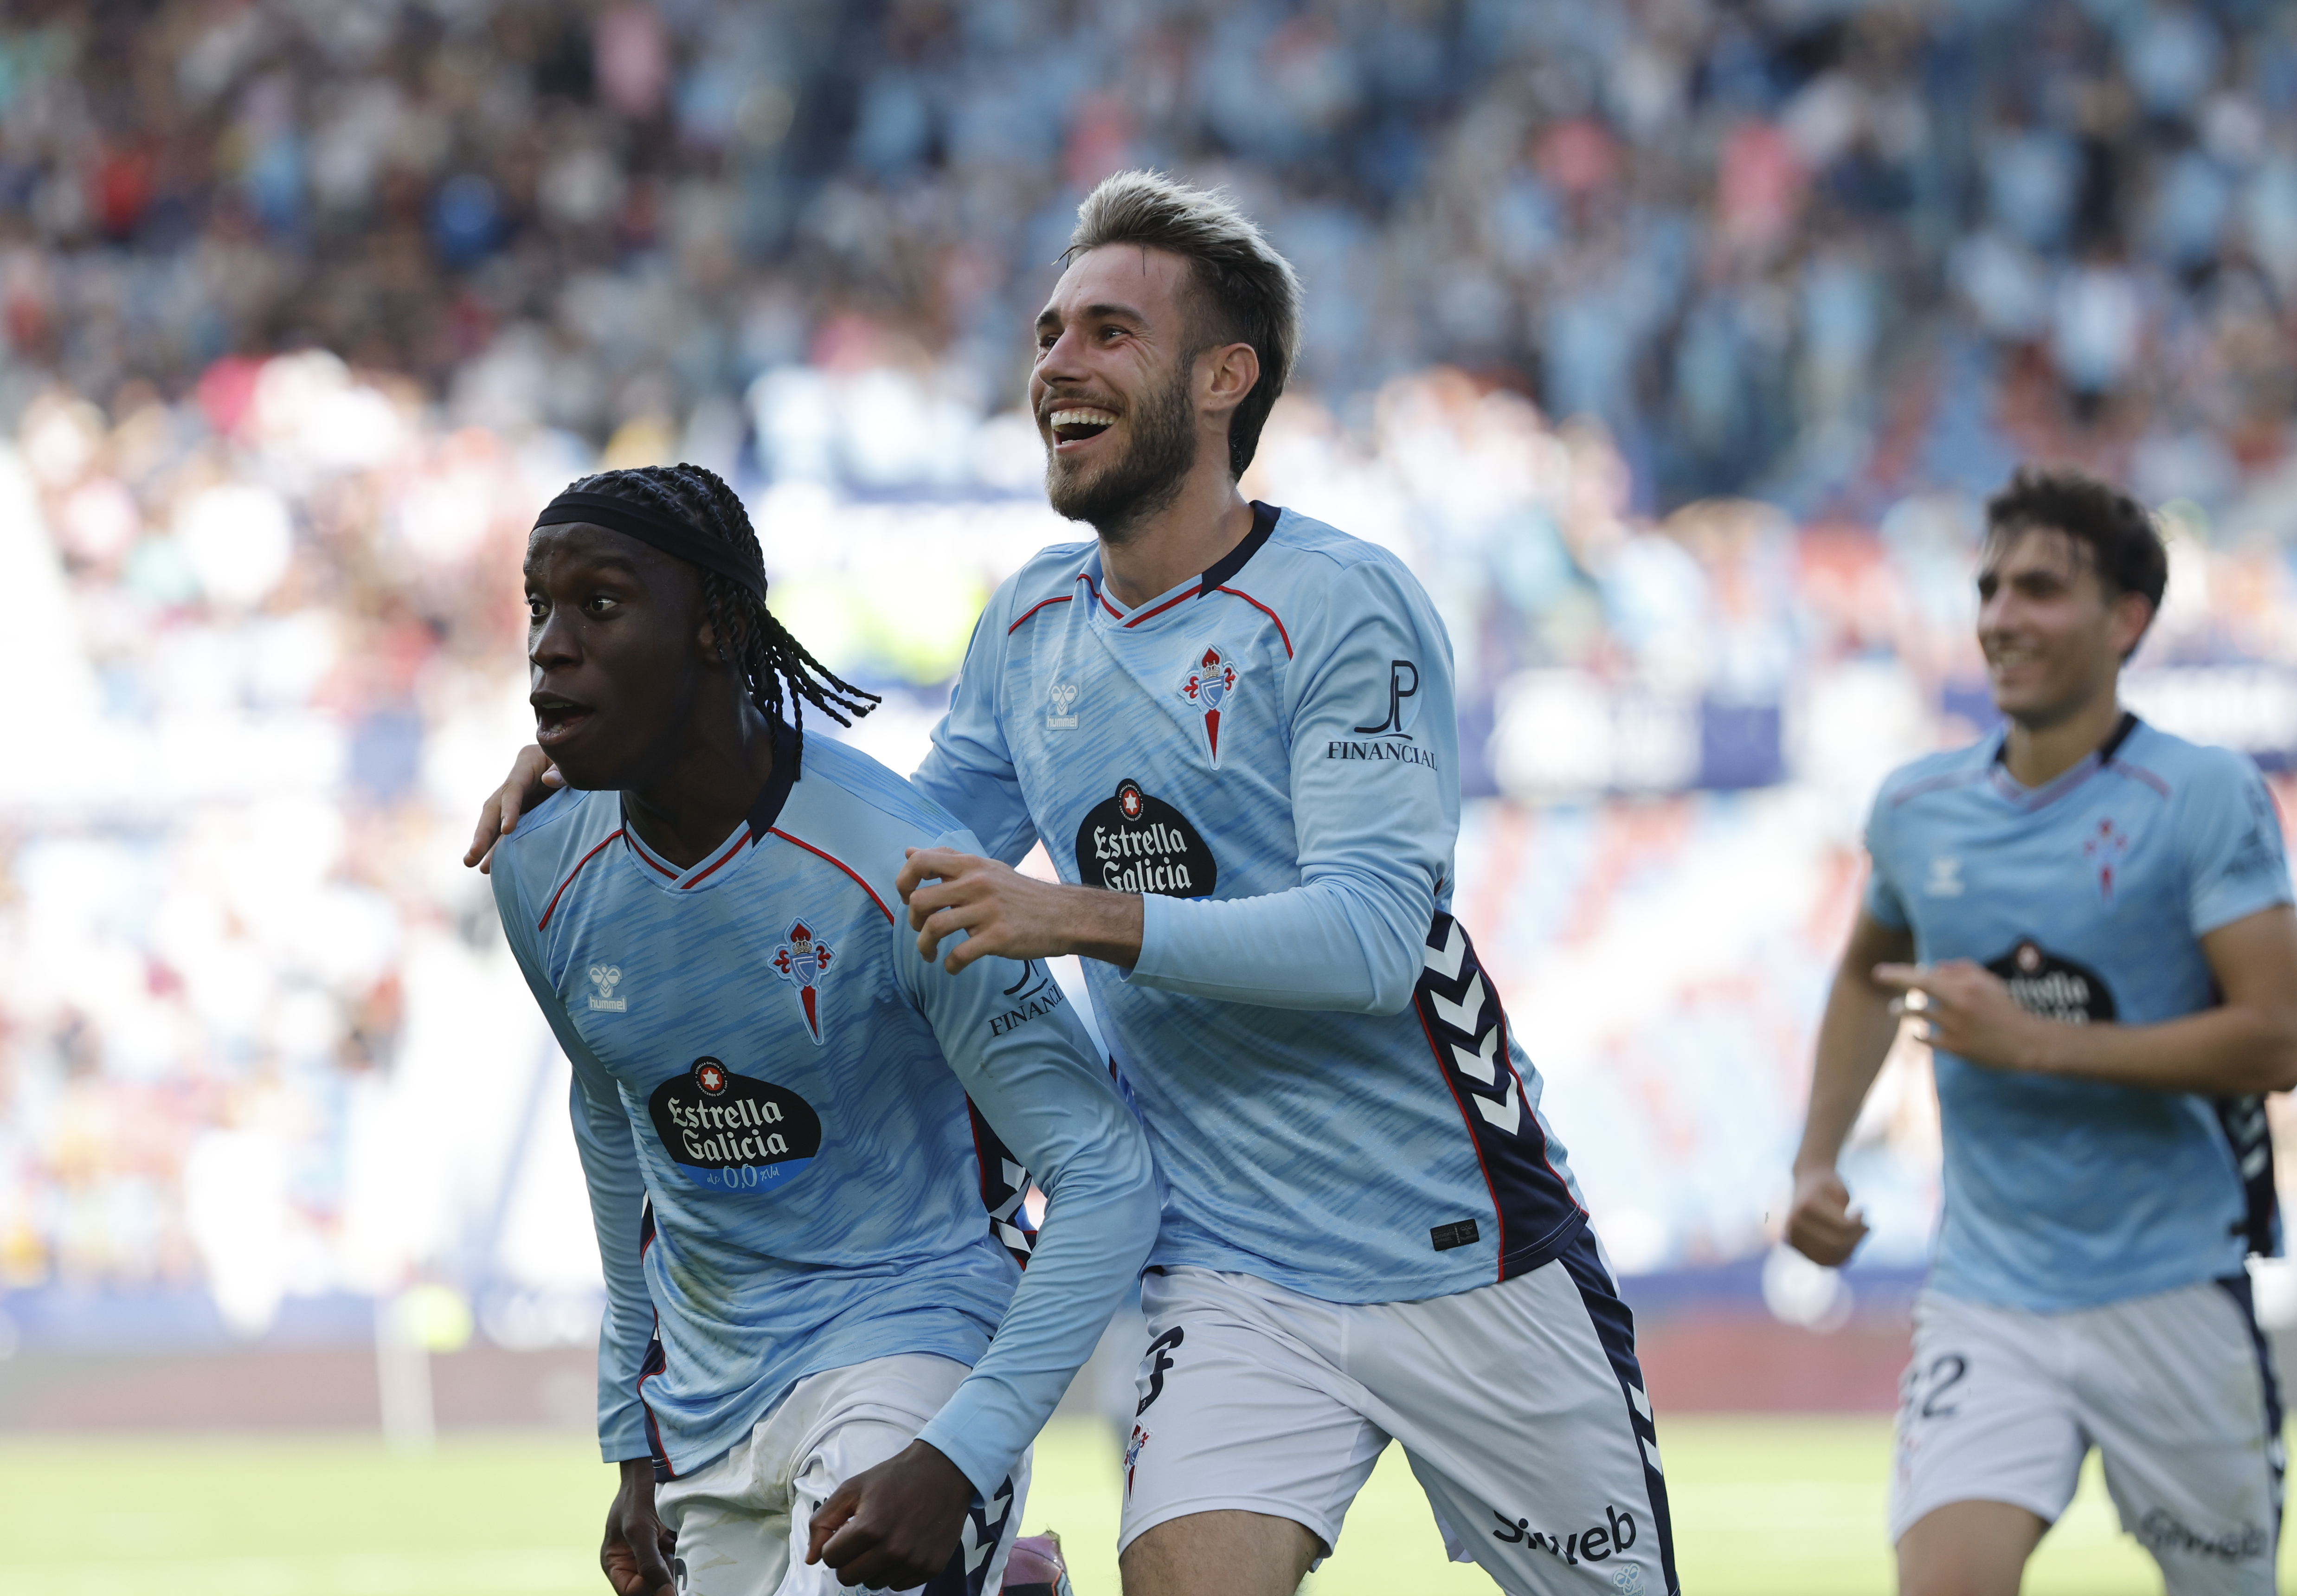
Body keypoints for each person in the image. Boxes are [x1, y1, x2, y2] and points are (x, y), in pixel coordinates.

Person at [471, 173, 1676, 1596]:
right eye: (1049, 332)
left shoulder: (1344, 603)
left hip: (1464, 1238)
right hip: (1225, 1262)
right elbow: (895, 855)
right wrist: (647, 750)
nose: (1057, 364)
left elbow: (1370, 940)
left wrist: (1075, 915)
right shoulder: (1033, 620)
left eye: (1110, 332)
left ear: (1224, 380)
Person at [484, 461, 1158, 1596]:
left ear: (714, 626)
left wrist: (960, 1451)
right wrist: (629, 1432)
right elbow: (614, 1123)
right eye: (537, 607)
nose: (550, 644)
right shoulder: (536, 865)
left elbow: (1106, 1173)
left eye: (598, 604)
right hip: (704, 1400)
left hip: (911, 1340)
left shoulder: (900, 864)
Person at [1785, 468, 2297, 1596]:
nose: (1997, 618)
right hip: (1988, 1295)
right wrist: (1813, 1160)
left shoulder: (2203, 796)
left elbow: (2276, 1041)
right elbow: (1865, 974)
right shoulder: (1916, 808)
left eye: (2037, 589)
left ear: (2126, 618)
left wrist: (2033, 1044)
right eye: (1987, 589)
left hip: (2173, 1294)